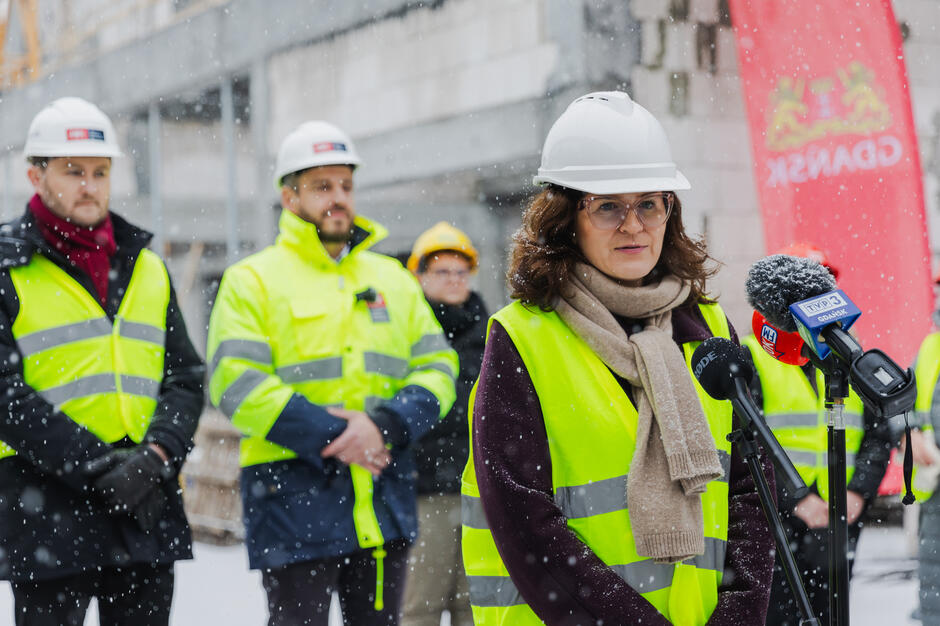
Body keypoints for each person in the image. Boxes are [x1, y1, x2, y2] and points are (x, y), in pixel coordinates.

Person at [460, 91, 775, 625]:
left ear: (668, 213)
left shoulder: (709, 330)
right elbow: (525, 522)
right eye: (608, 206)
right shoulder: (521, 340)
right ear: (566, 220)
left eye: (649, 203)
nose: (633, 225)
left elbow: (752, 488)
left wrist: (739, 615)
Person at [207, 120, 458, 625]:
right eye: (322, 186)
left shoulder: (392, 278)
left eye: (345, 185)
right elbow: (237, 382)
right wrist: (343, 434)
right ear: (289, 196)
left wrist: (383, 426)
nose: (338, 198)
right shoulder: (251, 280)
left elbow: (439, 367)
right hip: (291, 500)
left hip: (383, 499)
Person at [0, 97, 205, 625]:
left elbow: (183, 377)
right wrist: (95, 466)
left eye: (99, 171)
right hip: (44, 506)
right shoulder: (6, 267)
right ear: (35, 175)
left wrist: (156, 456)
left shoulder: (147, 266)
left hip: (142, 507)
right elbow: (4, 395)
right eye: (73, 172)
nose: (89, 185)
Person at [742, 242, 893, 626]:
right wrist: (797, 499)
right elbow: (749, 437)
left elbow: (878, 434)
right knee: (777, 615)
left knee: (831, 613)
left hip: (840, 516)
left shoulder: (849, 357)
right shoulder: (751, 356)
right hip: (777, 519)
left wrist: (858, 492)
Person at [401, 222, 487, 626]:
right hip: (424, 490)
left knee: (476, 604)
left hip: (477, 488)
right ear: (419, 277)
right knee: (422, 604)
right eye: (442, 271)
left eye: (460, 271)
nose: (454, 280)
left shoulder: (491, 331)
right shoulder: (407, 332)